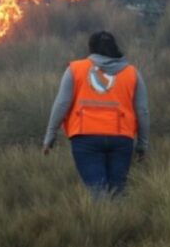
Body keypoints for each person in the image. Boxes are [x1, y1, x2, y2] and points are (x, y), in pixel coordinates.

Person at [42, 31, 150, 197]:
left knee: (97, 191)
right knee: (117, 192)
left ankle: (101, 220)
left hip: (85, 138)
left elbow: (62, 103)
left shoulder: (75, 69)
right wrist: (142, 145)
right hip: (121, 138)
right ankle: (119, 221)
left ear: (91, 49)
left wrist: (50, 135)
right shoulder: (132, 73)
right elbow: (142, 111)